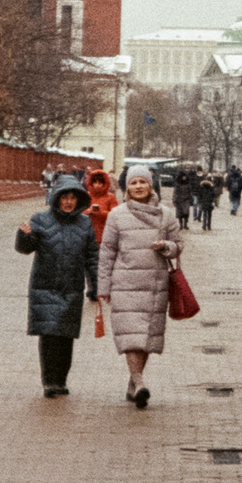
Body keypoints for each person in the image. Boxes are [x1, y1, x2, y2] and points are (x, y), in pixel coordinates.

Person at [95, 165, 181, 408]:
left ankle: (133, 382)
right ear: (127, 188)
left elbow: (178, 245)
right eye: (133, 183)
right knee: (132, 336)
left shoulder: (166, 214)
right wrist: (103, 286)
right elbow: (107, 252)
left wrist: (166, 246)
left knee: (146, 338)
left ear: (151, 185)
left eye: (143, 181)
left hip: (155, 285)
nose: (138, 186)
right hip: (125, 284)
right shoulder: (117, 215)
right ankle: (140, 382)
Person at [16, 176, 97, 397]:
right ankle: (49, 381)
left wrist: (96, 285)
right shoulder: (40, 219)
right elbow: (26, 248)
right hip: (46, 286)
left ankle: (61, 380)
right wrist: (24, 236)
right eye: (64, 197)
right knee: (49, 336)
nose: (68, 202)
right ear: (56, 198)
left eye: (72, 198)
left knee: (66, 337)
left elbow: (91, 257)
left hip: (72, 288)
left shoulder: (85, 223)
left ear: (79, 200)